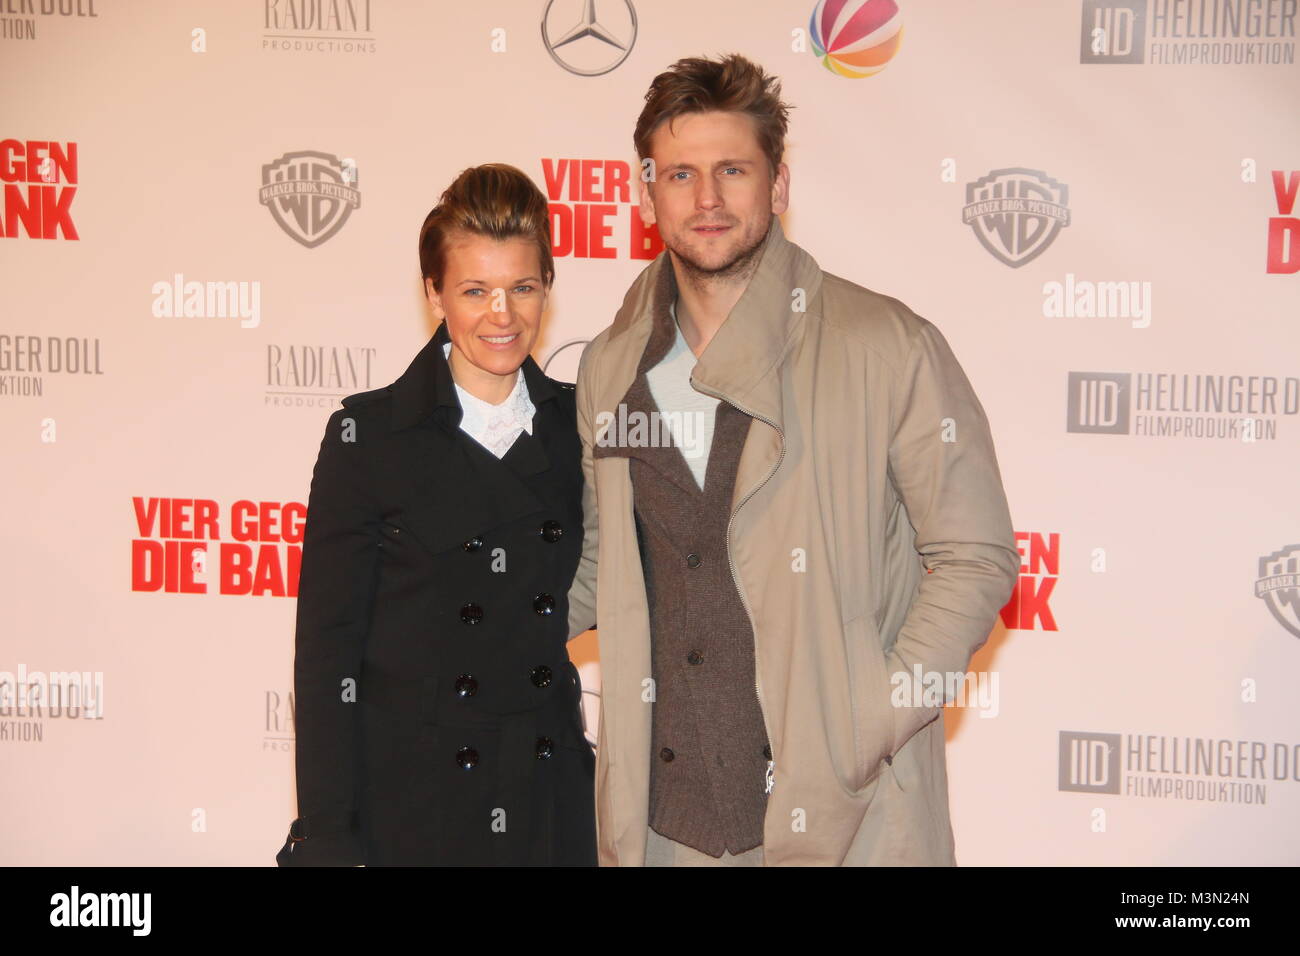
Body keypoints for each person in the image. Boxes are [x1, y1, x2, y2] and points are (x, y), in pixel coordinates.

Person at [565, 54, 1019, 866]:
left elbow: (974, 557)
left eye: (732, 170)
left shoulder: (886, 346)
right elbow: (600, 563)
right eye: (680, 174)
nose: (706, 199)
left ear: (777, 186)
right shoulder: (610, 366)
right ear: (646, 192)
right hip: (663, 834)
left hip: (851, 821)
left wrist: (864, 720)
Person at [277, 163, 596, 866]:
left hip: (546, 798)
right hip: (414, 808)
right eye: (475, 290)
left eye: (522, 287)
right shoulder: (370, 438)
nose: (501, 314)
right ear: (434, 293)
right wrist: (329, 834)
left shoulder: (582, 430)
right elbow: (328, 655)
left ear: (548, 286)